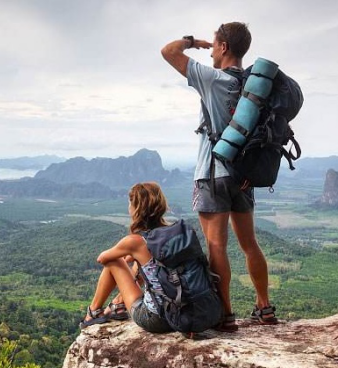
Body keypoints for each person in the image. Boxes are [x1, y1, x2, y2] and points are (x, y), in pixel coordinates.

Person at [161, 22, 278, 331]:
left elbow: (168, 51)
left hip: (212, 174)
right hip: (244, 176)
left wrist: (193, 41)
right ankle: (264, 307)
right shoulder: (255, 86)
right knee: (250, 244)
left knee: (216, 247)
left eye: (214, 45)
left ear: (224, 47)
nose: (210, 51)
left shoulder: (212, 79)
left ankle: (225, 315)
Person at [80, 182, 172, 333]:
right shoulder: (171, 233)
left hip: (156, 319)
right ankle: (118, 303)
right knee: (142, 263)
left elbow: (102, 259)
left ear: (136, 208)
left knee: (113, 260)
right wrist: (133, 256)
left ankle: (93, 312)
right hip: (183, 312)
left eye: (130, 204)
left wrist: (126, 253)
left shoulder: (135, 241)